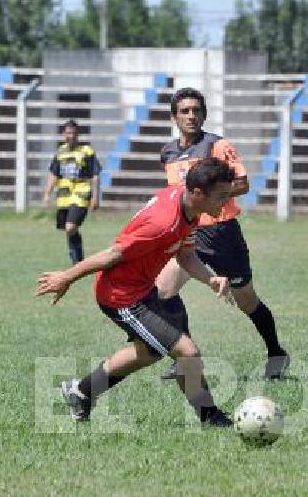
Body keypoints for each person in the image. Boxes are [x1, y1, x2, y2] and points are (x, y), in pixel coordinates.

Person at [35, 158, 238, 427]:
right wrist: (67, 277)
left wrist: (210, 280)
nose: (225, 203)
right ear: (198, 192)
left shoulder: (189, 205)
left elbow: (186, 255)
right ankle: (210, 417)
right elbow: (113, 253)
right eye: (221, 196)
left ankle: (81, 392)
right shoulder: (162, 223)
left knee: (149, 352)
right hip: (121, 296)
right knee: (187, 352)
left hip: (142, 289)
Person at [153, 87, 290, 381]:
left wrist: (214, 194)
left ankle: (276, 353)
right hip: (187, 232)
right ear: (174, 117)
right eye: (185, 111)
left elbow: (242, 183)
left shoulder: (217, 146)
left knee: (246, 301)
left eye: (196, 110)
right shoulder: (168, 153)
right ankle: (183, 355)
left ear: (204, 114)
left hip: (221, 233)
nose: (191, 116)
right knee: (163, 291)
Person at [42, 120, 101, 265]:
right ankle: (76, 258)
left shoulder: (87, 151)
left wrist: (95, 197)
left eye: (74, 133)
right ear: (63, 134)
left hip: (81, 193)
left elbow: (95, 175)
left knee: (70, 226)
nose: (71, 136)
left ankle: (78, 259)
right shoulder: (60, 151)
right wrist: (47, 194)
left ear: (78, 135)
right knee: (67, 229)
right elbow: (54, 174)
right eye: (68, 133)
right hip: (64, 196)